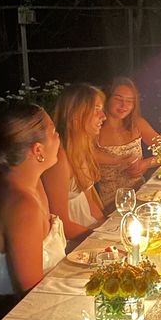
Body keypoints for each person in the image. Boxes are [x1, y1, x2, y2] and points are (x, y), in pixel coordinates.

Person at [0, 104, 66, 297]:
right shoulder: (22, 206)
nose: (59, 137)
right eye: (54, 132)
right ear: (38, 150)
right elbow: (30, 295)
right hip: (5, 319)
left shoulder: (31, 185)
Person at [42, 83, 107, 240]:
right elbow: (60, 224)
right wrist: (102, 240)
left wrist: (107, 228)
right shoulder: (60, 159)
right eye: (97, 110)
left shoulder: (83, 146)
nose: (104, 116)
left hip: (88, 230)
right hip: (72, 242)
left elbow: (91, 203)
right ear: (76, 114)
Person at [96, 77, 160, 208]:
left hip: (141, 195)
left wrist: (146, 164)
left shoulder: (137, 124)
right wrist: (119, 160)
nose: (124, 105)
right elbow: (84, 156)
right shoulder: (95, 129)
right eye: (118, 99)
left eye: (130, 101)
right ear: (107, 98)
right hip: (110, 203)